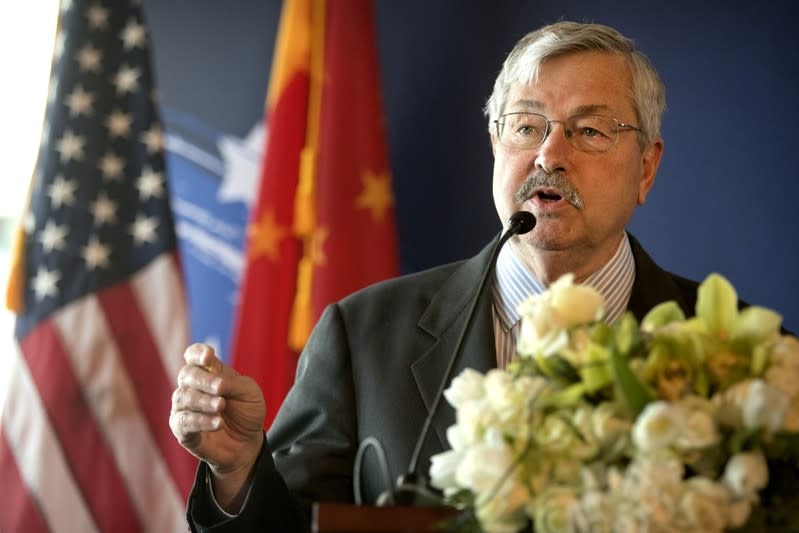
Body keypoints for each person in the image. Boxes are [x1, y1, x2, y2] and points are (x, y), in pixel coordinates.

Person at [170, 21, 699, 532]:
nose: (549, 155)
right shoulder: (361, 337)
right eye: (526, 126)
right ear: (496, 146)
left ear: (646, 168)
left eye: (589, 130)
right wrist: (239, 469)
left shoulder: (736, 350)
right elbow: (298, 523)